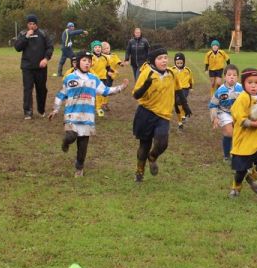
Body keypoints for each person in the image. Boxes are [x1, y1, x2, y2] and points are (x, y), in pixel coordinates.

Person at [48, 50, 129, 177]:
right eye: (84, 60)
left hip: (88, 117)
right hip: (71, 115)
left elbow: (106, 91)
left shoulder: (94, 79)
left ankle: (79, 167)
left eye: (89, 61)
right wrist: (55, 109)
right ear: (77, 62)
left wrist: (121, 87)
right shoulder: (69, 78)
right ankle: (66, 142)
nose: (87, 63)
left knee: (83, 145)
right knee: (71, 136)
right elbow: (61, 95)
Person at [132, 45, 191, 182]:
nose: (164, 61)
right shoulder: (147, 73)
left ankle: (152, 157)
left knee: (162, 143)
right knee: (144, 145)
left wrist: (186, 106)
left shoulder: (171, 73)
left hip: (163, 115)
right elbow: (136, 95)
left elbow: (178, 90)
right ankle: (139, 171)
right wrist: (145, 86)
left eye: (165, 57)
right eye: (160, 58)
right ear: (153, 61)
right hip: (145, 113)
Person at [229, 68, 257, 197]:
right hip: (243, 142)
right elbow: (241, 120)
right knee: (240, 171)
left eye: (256, 82)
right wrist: (255, 123)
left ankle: (252, 177)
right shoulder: (241, 99)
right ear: (244, 84)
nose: (254, 85)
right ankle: (236, 187)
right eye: (250, 82)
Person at [14, 14, 54, 120]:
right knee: (27, 89)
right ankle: (28, 112)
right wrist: (26, 37)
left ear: (37, 24)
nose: (32, 26)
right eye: (30, 24)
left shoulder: (43, 33)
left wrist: (46, 59)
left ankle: (41, 109)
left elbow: (50, 47)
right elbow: (17, 47)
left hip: (41, 67)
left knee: (41, 89)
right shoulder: (23, 34)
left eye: (34, 24)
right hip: (27, 67)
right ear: (27, 24)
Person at [208, 64, 242, 162]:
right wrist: (214, 118)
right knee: (229, 133)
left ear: (237, 77)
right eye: (229, 75)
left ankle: (237, 153)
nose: (232, 77)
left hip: (238, 114)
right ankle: (227, 156)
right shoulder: (220, 90)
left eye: (234, 75)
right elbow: (213, 105)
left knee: (238, 134)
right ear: (225, 76)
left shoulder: (242, 88)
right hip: (224, 112)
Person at [171, 52, 194, 130]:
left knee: (180, 101)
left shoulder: (187, 70)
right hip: (174, 89)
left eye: (181, 62)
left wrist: (191, 87)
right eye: (177, 63)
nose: (179, 64)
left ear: (184, 62)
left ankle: (184, 115)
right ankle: (180, 122)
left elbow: (190, 80)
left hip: (184, 89)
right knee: (176, 105)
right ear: (175, 62)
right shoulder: (172, 70)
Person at [89, 40, 110, 117]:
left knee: (100, 93)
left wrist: (110, 71)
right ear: (92, 49)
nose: (98, 48)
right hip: (93, 78)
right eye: (95, 47)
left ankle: (99, 108)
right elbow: (88, 67)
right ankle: (90, 107)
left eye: (99, 47)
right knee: (91, 94)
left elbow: (108, 66)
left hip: (103, 78)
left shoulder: (104, 57)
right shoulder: (90, 57)